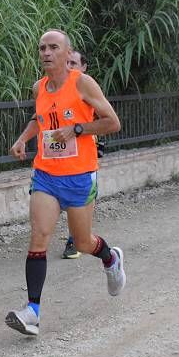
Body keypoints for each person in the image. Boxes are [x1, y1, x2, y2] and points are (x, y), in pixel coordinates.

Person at [6, 30, 125, 336]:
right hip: (46, 174)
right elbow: (40, 118)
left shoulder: (82, 83)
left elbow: (112, 122)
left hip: (79, 175)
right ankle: (32, 311)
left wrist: (78, 129)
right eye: (42, 48)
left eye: (53, 47)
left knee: (83, 242)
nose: (46, 52)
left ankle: (110, 258)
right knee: (39, 237)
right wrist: (22, 139)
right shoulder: (40, 88)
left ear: (66, 52)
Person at [62, 49, 106, 259]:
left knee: (80, 201)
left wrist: (82, 131)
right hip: (58, 160)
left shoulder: (86, 86)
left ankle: (76, 240)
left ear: (83, 67)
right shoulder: (55, 87)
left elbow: (106, 119)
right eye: (66, 63)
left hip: (84, 159)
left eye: (73, 63)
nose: (68, 67)